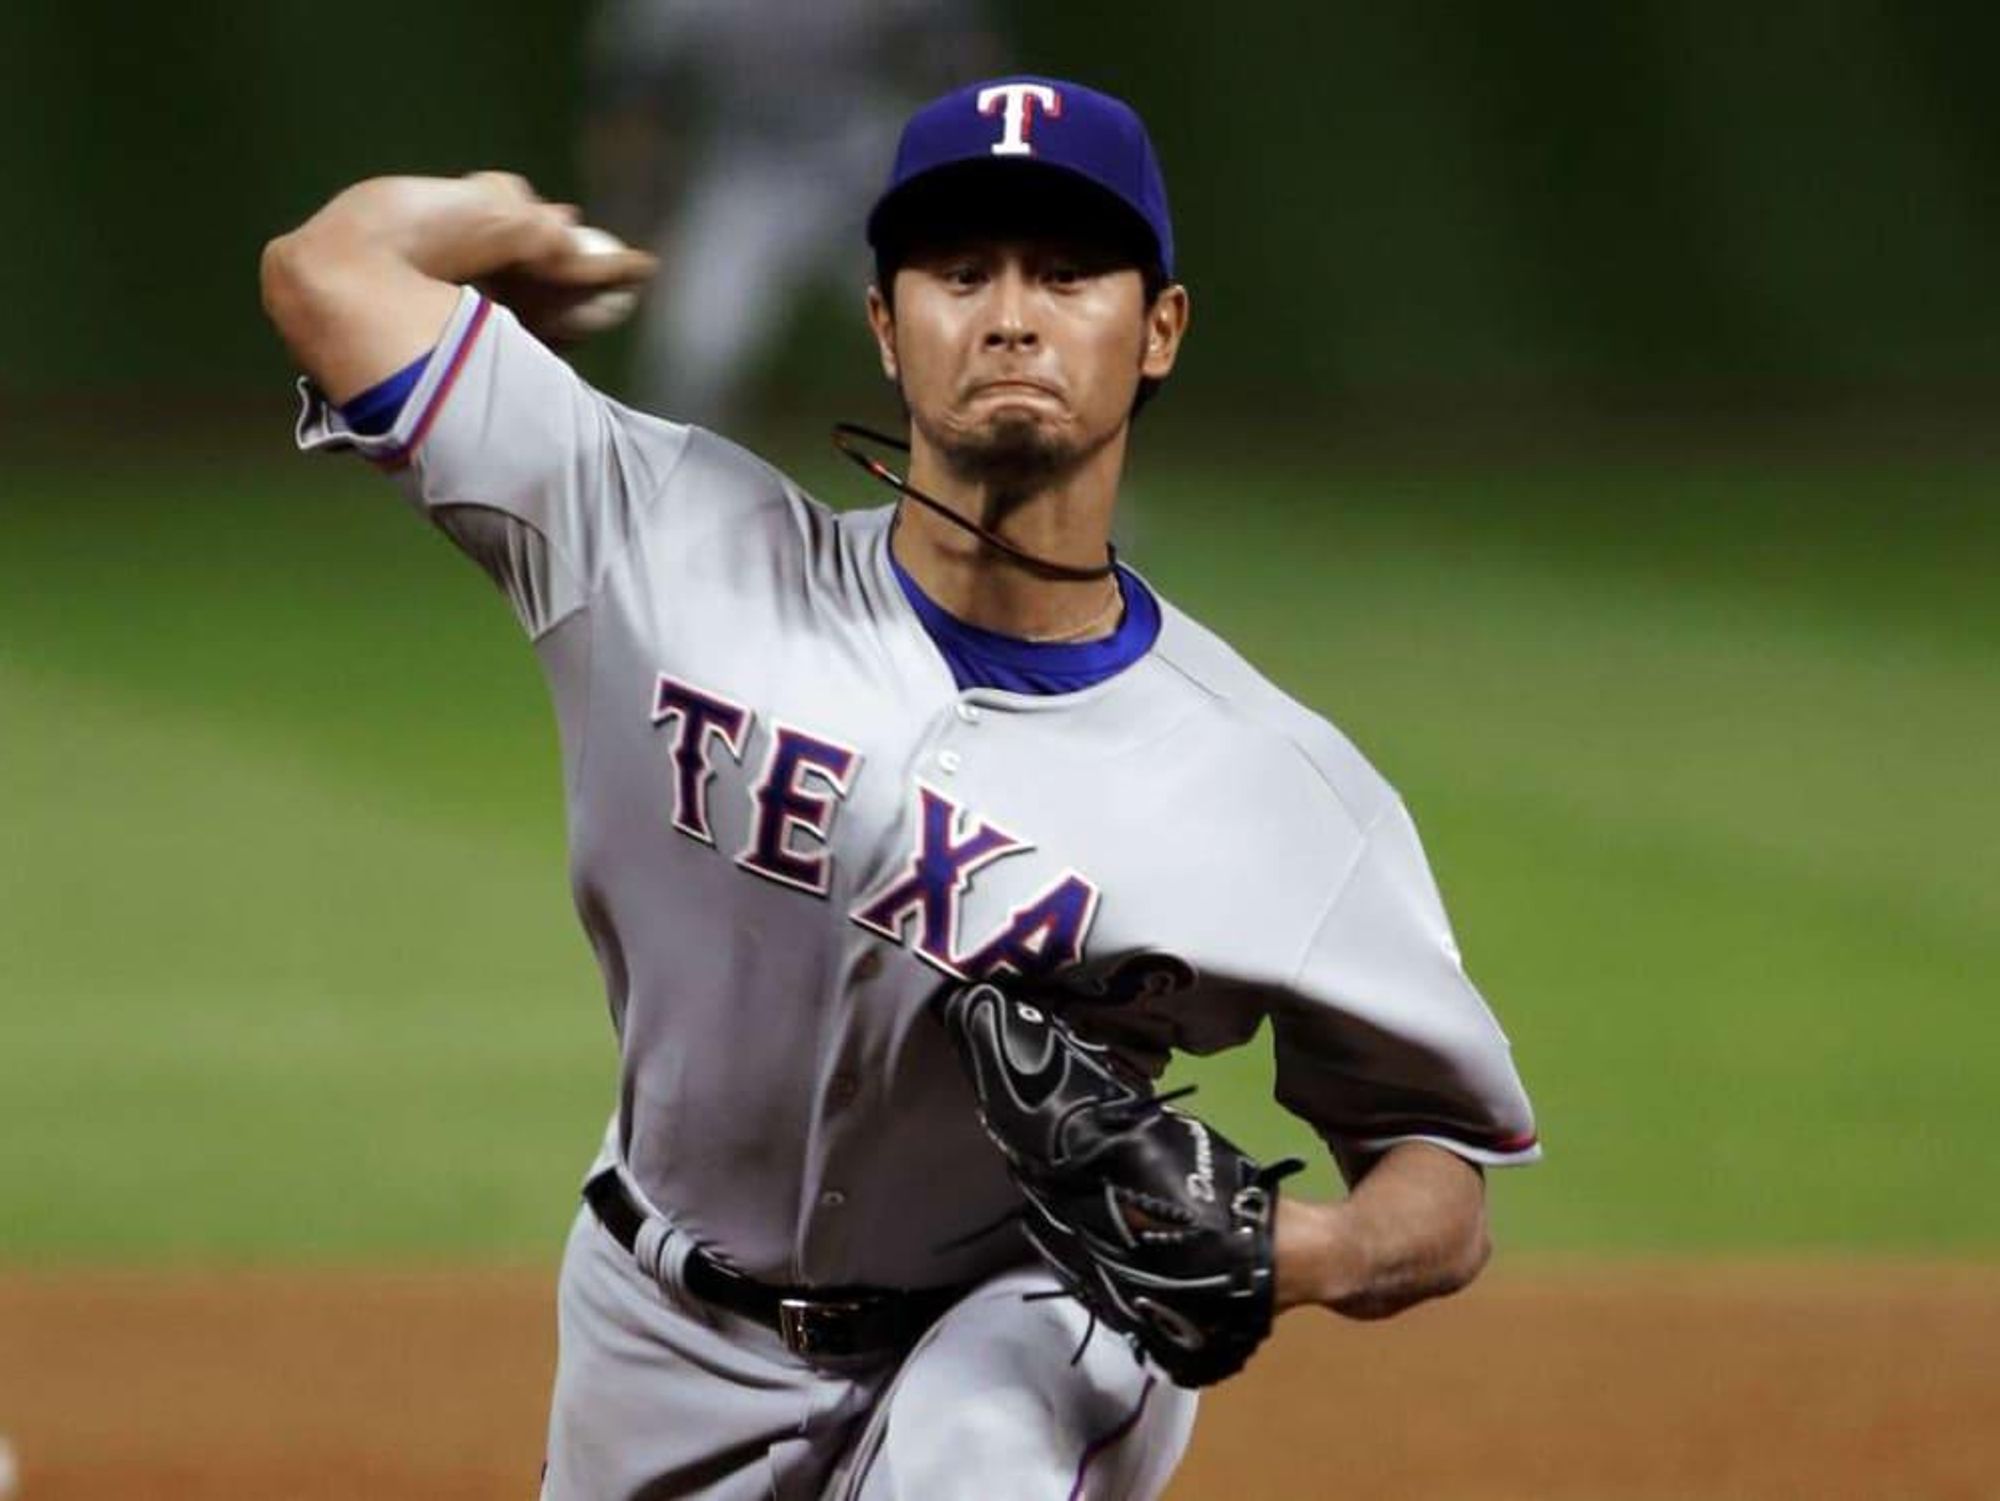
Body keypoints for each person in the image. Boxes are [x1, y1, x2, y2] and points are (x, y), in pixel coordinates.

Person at [261, 75, 1537, 1500]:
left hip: (1024, 1328)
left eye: (1068, 273)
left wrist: (1306, 1254)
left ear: (1158, 328)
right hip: (653, 1322)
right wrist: (507, 220)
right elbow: (330, 269)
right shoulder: (660, 541)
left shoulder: (1280, 788)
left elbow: (1437, 1156)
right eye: (957, 271)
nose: (1010, 315)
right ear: (884, 322)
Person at [581, 0, 998, 425]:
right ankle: (671, 479)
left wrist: (972, 193)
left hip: (867, 158)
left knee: (959, 313)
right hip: (748, 170)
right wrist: (634, 218)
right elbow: (634, 103)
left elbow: (961, 72)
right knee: (694, 353)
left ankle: (1010, 459)